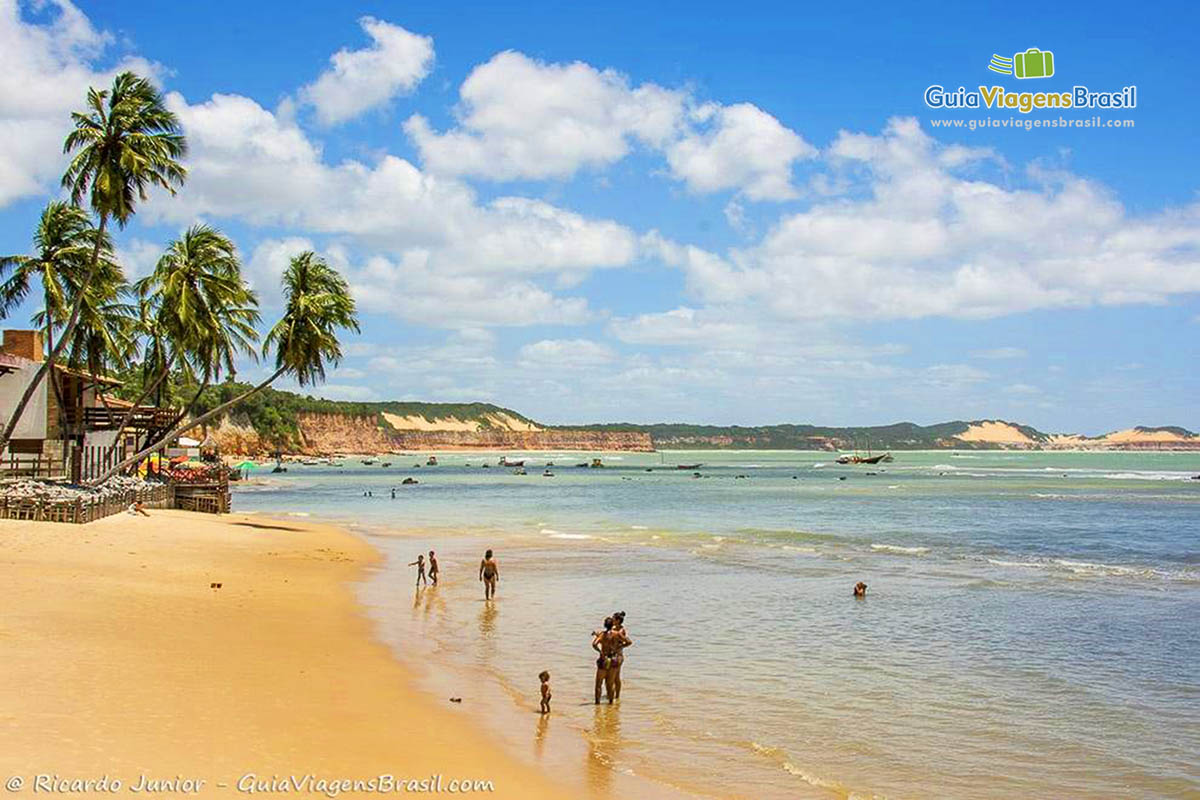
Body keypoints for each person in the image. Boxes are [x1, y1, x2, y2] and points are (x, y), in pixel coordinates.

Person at [592, 617, 630, 704]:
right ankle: (611, 704)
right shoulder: (617, 634)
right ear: (612, 625)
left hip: (604, 659)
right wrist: (620, 647)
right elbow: (629, 642)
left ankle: (597, 704)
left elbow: (594, 644)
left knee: (598, 684)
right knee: (610, 683)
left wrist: (600, 651)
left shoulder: (602, 635)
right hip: (614, 659)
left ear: (605, 625)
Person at [610, 611, 632, 700]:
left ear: (618, 620)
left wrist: (620, 646)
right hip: (612, 654)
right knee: (612, 676)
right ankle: (612, 693)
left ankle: (617, 696)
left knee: (616, 676)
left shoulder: (621, 630)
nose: (612, 620)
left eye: (613, 619)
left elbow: (628, 642)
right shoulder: (614, 628)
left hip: (618, 655)